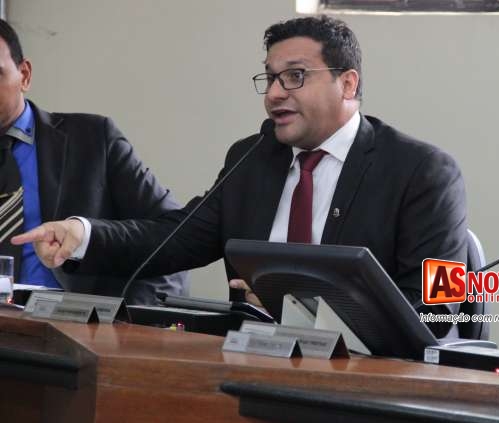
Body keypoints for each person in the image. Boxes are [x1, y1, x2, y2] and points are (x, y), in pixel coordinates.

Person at [13, 15, 467, 337]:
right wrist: (85, 235)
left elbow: (437, 311)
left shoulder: (424, 172)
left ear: (347, 84)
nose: (274, 95)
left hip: (368, 383)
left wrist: (305, 311)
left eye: (294, 76)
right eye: (270, 78)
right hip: (253, 370)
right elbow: (176, 239)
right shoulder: (253, 157)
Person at [0, 18, 187, 304]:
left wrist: (124, 317)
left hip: (72, 321)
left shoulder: (93, 139)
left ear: (24, 74)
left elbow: (173, 236)